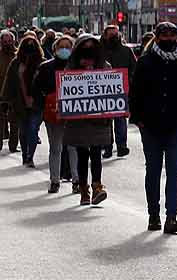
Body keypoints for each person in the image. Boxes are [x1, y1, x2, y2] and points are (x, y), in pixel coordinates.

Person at [128, 21, 177, 233]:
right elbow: (135, 94)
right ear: (157, 37)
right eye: (165, 36)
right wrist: (140, 120)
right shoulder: (145, 62)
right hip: (150, 126)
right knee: (152, 171)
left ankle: (171, 216)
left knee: (174, 172)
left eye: (173, 35)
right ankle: (153, 215)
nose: (169, 39)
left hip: (176, 125)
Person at [62, 35, 115, 207]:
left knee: (96, 153)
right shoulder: (71, 67)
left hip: (98, 119)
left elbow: (112, 89)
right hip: (79, 120)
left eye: (92, 46)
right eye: (86, 46)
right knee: (83, 154)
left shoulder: (105, 67)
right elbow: (66, 89)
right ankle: (84, 189)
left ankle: (97, 186)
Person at [34, 34, 79, 194]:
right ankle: (55, 180)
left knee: (73, 147)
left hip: (74, 114)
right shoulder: (46, 67)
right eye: (61, 47)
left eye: (68, 46)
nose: (65, 49)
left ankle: (76, 181)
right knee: (55, 148)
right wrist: (47, 101)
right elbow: (36, 89)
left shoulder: (77, 67)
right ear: (55, 49)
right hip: (53, 114)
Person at [1, 34, 43, 168]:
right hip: (20, 104)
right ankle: (25, 155)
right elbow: (9, 82)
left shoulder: (42, 63)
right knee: (24, 131)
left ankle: (30, 156)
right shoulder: (16, 63)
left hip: (37, 104)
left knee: (33, 130)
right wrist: (6, 100)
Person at [100, 24, 137, 156]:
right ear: (105, 36)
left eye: (116, 35)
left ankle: (121, 146)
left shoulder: (126, 51)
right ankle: (108, 147)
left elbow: (134, 68)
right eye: (111, 35)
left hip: (121, 90)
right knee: (106, 121)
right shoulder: (99, 51)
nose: (114, 37)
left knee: (120, 120)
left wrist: (129, 82)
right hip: (103, 91)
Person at [0, 29, 16, 154]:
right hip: (0, 93)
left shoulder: (18, 55)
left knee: (15, 121)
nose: (7, 43)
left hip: (15, 93)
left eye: (9, 41)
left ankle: (13, 145)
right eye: (5, 41)